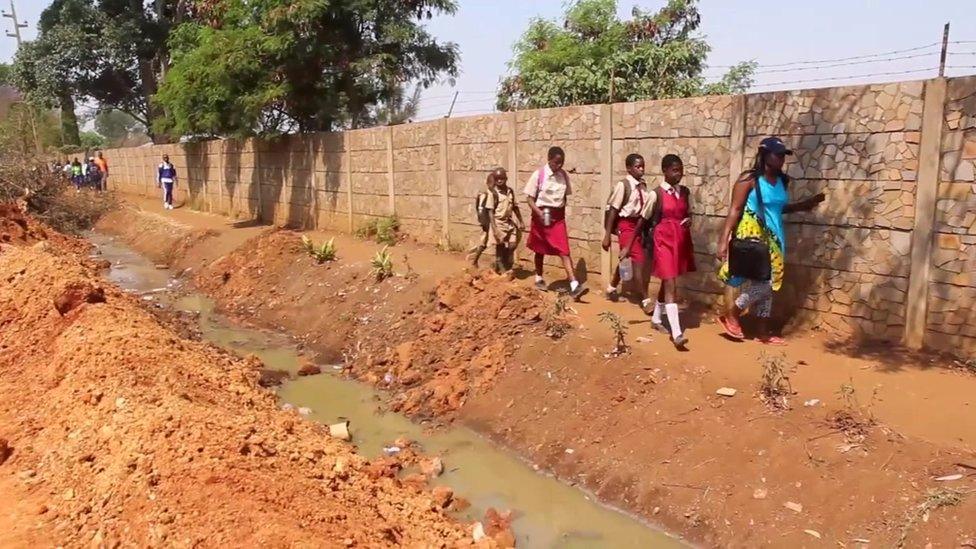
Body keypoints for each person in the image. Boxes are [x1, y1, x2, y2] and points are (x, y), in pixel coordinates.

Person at [717, 136, 826, 345]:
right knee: (765, 284)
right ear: (764, 154)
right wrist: (724, 240)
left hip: (775, 238)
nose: (781, 159)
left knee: (770, 284)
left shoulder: (782, 181)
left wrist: (803, 205)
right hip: (752, 236)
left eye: (783, 155)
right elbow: (734, 210)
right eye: (777, 154)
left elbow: (776, 208)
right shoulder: (748, 179)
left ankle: (763, 332)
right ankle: (732, 313)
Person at [524, 146, 585, 299]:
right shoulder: (539, 175)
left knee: (564, 249)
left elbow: (566, 196)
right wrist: (540, 213)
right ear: (549, 160)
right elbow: (529, 199)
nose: (559, 166)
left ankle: (574, 284)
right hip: (542, 214)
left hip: (557, 218)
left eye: (561, 163)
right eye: (556, 163)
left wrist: (559, 210)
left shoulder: (563, 176)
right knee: (540, 247)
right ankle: (539, 277)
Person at [602, 153, 652, 309]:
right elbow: (613, 210)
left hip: (637, 226)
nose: (641, 169)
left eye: (642, 166)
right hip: (625, 225)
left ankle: (611, 287)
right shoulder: (623, 186)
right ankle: (645, 300)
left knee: (626, 258)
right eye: (637, 167)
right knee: (638, 260)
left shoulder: (643, 186)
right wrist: (607, 235)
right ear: (629, 168)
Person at [485, 167, 525, 273]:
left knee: (512, 244)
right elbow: (490, 212)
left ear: (505, 178)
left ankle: (502, 261)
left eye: (501, 178)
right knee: (500, 246)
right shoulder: (493, 193)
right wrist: (495, 229)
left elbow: (515, 207)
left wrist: (521, 221)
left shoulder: (510, 191)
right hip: (498, 222)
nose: (499, 181)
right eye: (497, 179)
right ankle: (501, 268)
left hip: (508, 222)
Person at [471, 173, 495, 268]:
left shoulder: (490, 194)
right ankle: (474, 260)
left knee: (487, 242)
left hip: (490, 221)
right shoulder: (485, 194)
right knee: (484, 242)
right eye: (493, 184)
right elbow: (480, 209)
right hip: (487, 222)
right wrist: (484, 222)